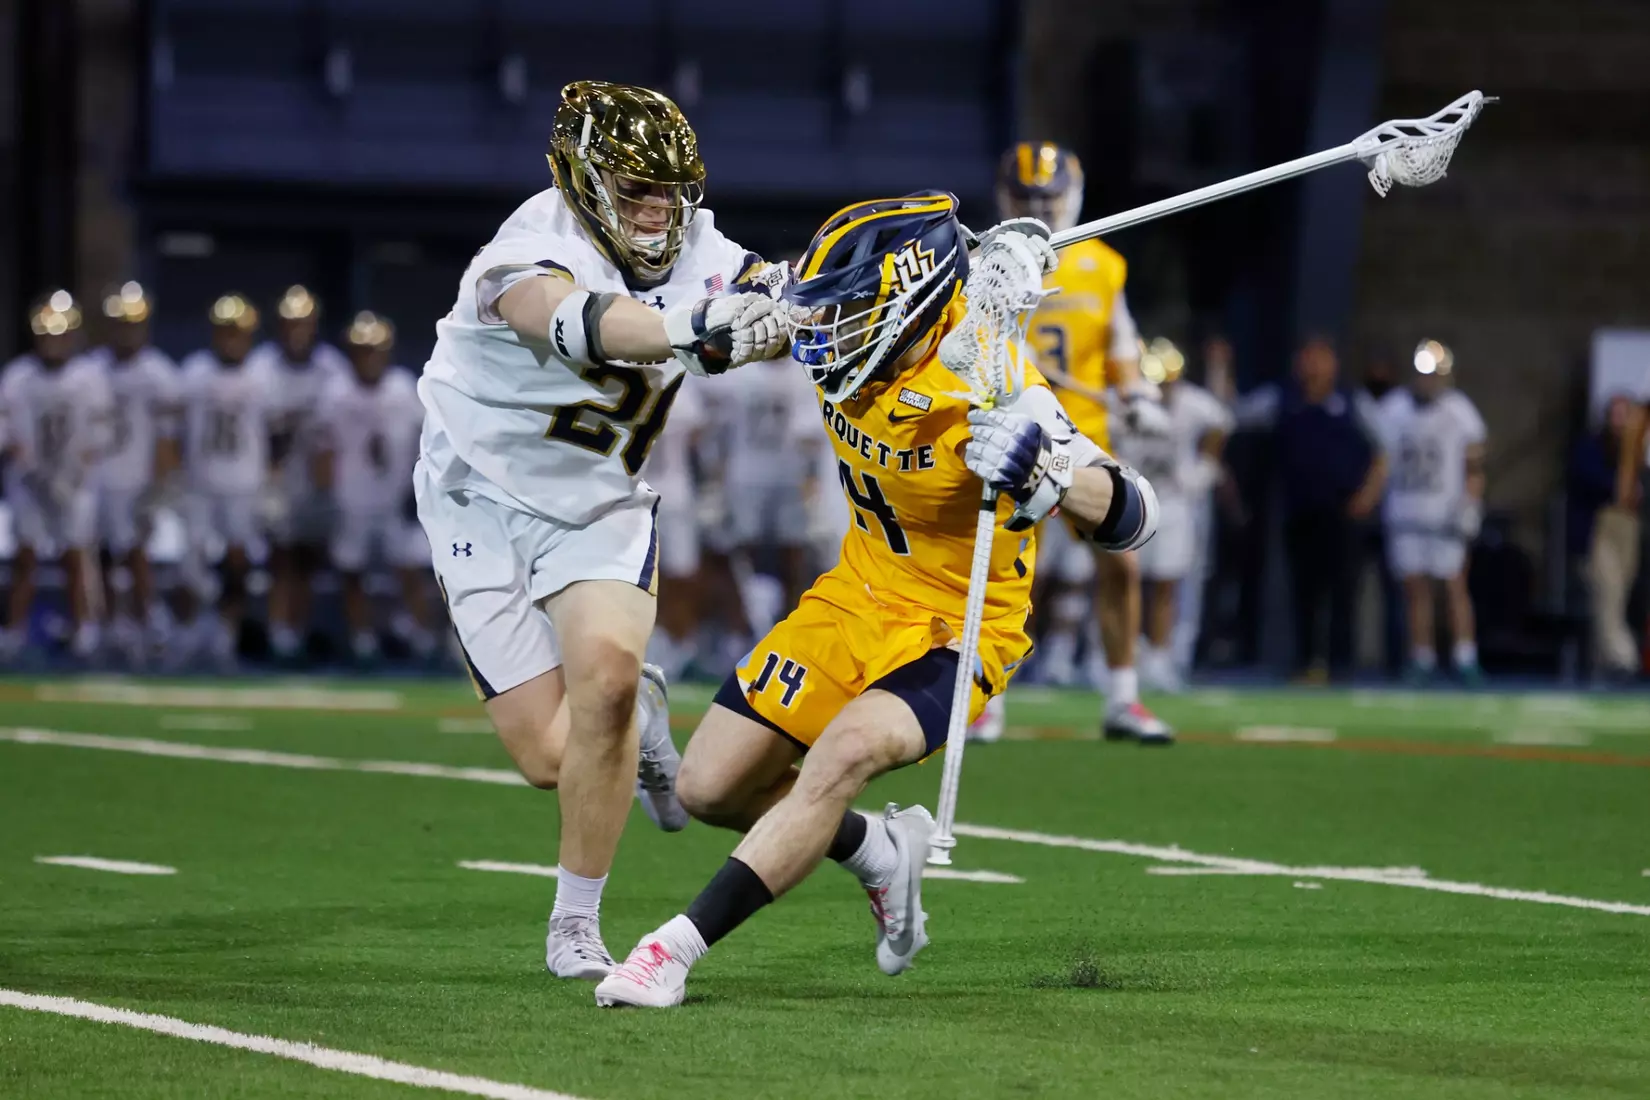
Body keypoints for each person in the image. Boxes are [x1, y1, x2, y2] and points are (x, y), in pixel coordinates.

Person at [593, 194, 1160, 1008]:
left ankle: (672, 950)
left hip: (956, 626)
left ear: (913, 305)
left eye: (852, 309)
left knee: (842, 756)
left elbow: (1137, 514)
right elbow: (756, 297)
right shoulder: (855, 326)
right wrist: (726, 320)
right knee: (709, 788)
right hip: (856, 591)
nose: (826, 330)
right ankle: (881, 855)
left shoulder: (993, 381)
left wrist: (1051, 473)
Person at [411, 80, 791, 980]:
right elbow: (582, 325)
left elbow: (779, 299)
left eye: (670, 191)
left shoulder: (698, 244)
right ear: (582, 179)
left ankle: (575, 924)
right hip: (479, 500)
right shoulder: (523, 250)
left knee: (609, 683)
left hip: (598, 501)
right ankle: (645, 725)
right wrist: (699, 327)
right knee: (550, 755)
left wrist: (778, 315)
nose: (658, 212)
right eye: (635, 191)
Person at [981, 140, 1173, 744]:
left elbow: (1122, 345)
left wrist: (1138, 396)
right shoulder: (988, 259)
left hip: (1083, 434)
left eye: (1048, 196)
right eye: (1027, 196)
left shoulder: (1102, 263)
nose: (1038, 206)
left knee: (1121, 562)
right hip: (1014, 431)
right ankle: (986, 703)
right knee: (1003, 574)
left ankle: (1123, 698)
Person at [1237, 336, 1387, 681]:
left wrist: (1368, 495)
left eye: (1320, 358)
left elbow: (1384, 448)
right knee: (1304, 590)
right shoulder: (1282, 399)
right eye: (1306, 358)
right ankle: (1307, 662)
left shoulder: (1351, 401)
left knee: (1343, 590)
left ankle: (1341, 664)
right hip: (1300, 508)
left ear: (1333, 362)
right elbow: (1234, 413)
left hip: (1343, 510)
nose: (1313, 366)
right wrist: (1221, 370)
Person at [313, 312, 435, 665]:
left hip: (395, 498)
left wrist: (420, 488)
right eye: (362, 350)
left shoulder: (402, 388)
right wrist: (326, 494)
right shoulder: (336, 393)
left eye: (374, 350)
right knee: (353, 573)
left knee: (410, 569)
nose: (368, 357)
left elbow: (424, 440)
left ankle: (422, 637)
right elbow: (324, 447)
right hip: (351, 498)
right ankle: (362, 639)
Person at [1112, 338, 1232, 692]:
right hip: (1135, 496)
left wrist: (1204, 470)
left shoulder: (1193, 403)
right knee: (1127, 579)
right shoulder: (1128, 400)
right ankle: (1128, 654)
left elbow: (1222, 423)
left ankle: (1161, 657)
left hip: (1174, 501)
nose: (1164, 387)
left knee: (1167, 582)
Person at [0, 291, 111, 663]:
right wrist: (34, 471)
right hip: (30, 480)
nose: (52, 342)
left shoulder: (89, 378)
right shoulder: (18, 376)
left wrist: (72, 474)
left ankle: (85, 630)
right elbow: (7, 433)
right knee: (25, 556)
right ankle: (13, 632)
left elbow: (98, 435)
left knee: (75, 555)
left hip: (75, 481)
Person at [251, 286, 350, 666]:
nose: (297, 332)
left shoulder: (331, 368)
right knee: (280, 560)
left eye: (304, 324)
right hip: (273, 477)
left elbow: (334, 434)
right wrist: (269, 482)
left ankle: (298, 632)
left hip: (316, 478)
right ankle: (277, 633)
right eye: (292, 324)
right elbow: (265, 432)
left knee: (308, 561)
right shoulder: (263, 368)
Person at [1379, 340, 1487, 683]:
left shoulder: (1459, 410)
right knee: (1416, 590)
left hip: (1445, 513)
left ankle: (1464, 655)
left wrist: (1470, 504)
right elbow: (1381, 462)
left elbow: (1474, 464)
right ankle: (1422, 657)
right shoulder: (1394, 408)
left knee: (1454, 586)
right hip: (1406, 510)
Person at [178, 293, 276, 669]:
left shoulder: (262, 375)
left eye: (238, 332)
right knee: (191, 563)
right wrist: (171, 476)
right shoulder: (194, 372)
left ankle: (225, 635)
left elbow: (276, 434)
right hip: (200, 481)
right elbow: (174, 430)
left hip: (243, 482)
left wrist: (273, 480)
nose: (231, 340)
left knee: (238, 564)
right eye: (225, 332)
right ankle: (187, 634)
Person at [87, 282, 183, 665]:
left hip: (137, 480)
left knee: (135, 554)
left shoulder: (159, 374)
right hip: (98, 479)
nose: (126, 331)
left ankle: (151, 623)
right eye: (120, 323)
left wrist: (158, 487)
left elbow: (167, 439)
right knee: (102, 558)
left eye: (133, 324)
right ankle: (110, 627)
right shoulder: (91, 370)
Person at [1587, 393, 1644, 677]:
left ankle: (1604, 664)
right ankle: (1625, 658)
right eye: (1617, 414)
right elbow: (1587, 480)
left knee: (1620, 595)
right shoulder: (1594, 448)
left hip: (1630, 527)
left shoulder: (1638, 453)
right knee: (1607, 590)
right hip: (1602, 526)